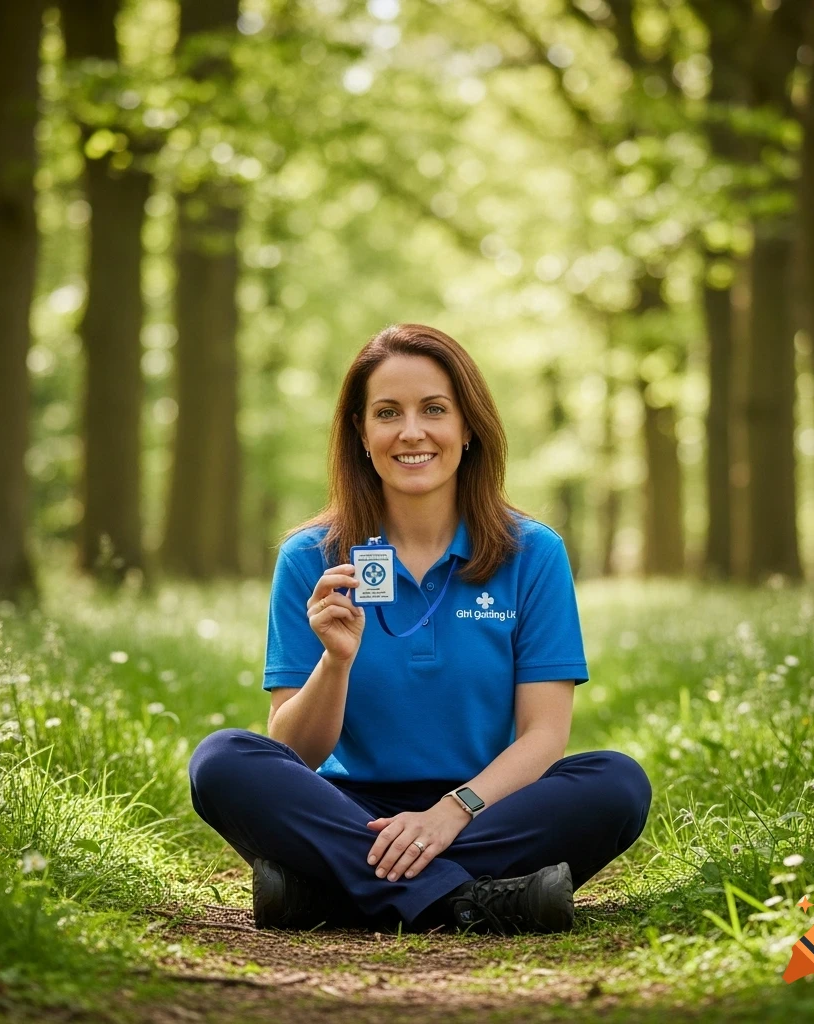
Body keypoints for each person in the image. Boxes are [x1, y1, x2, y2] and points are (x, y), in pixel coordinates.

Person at [189, 323, 652, 935]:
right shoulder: (311, 556)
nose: (412, 432)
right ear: (361, 432)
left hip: (486, 805)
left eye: (434, 410)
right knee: (222, 760)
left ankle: (329, 894)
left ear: (468, 429)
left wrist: (451, 811)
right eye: (387, 413)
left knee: (617, 783)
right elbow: (295, 753)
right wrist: (335, 661)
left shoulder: (532, 553)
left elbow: (544, 737)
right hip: (346, 809)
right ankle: (472, 901)